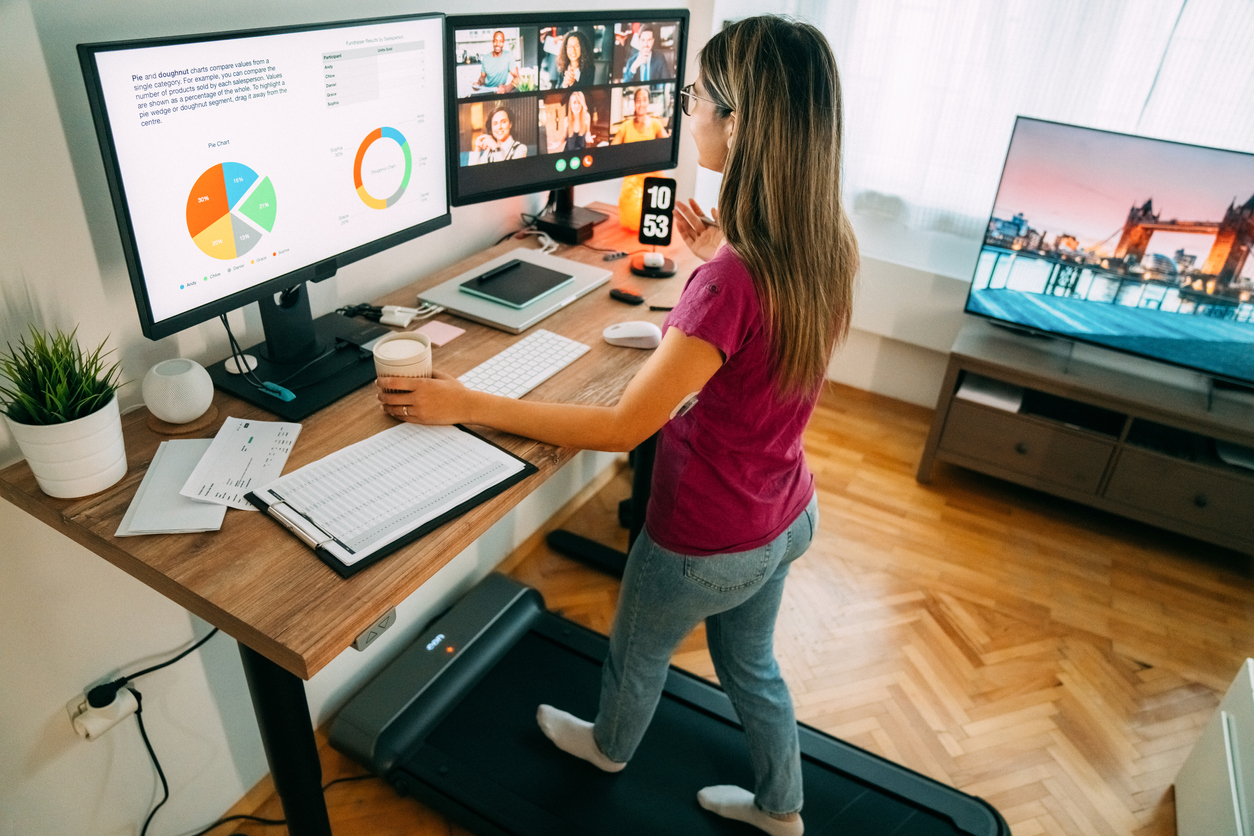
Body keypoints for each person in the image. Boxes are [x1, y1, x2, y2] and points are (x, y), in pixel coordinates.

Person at [379, 15, 857, 836]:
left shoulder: (731, 283)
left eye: (697, 95)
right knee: (754, 668)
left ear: (738, 125)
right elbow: (756, 350)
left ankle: (608, 749)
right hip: (786, 512)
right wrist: (714, 261)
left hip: (705, 536)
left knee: (637, 655)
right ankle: (784, 807)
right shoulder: (823, 244)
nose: (687, 108)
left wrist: (467, 401)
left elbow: (623, 427)